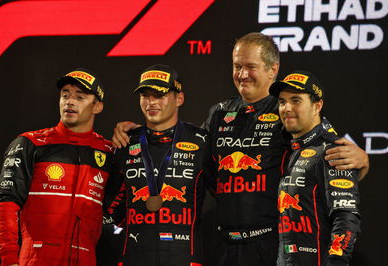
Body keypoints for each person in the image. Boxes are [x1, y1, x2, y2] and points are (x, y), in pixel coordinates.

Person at [112, 33, 369, 265]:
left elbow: (324, 150)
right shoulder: (220, 113)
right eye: (237, 66)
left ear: (273, 69)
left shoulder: (286, 110)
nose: (242, 74)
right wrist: (136, 134)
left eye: (251, 67)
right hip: (225, 244)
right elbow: (188, 152)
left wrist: (362, 159)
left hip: (272, 243)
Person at [0, 68, 114, 266]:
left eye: (80, 97)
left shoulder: (109, 152)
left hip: (85, 259)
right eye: (65, 95)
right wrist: (8, 258)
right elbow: (6, 202)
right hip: (36, 259)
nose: (70, 102)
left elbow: (118, 207)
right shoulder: (31, 143)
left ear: (97, 107)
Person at [106, 64, 214, 266]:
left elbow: (224, 194)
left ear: (179, 99)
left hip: (184, 257)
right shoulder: (125, 142)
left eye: (159, 95)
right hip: (134, 256)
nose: (151, 102)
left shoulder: (201, 141)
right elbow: (111, 203)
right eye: (145, 95)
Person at [270, 70, 360, 266]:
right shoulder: (288, 149)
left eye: (296, 100)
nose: (287, 108)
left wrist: (336, 262)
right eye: (283, 102)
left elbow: (345, 219)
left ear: (317, 106)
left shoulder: (333, 151)